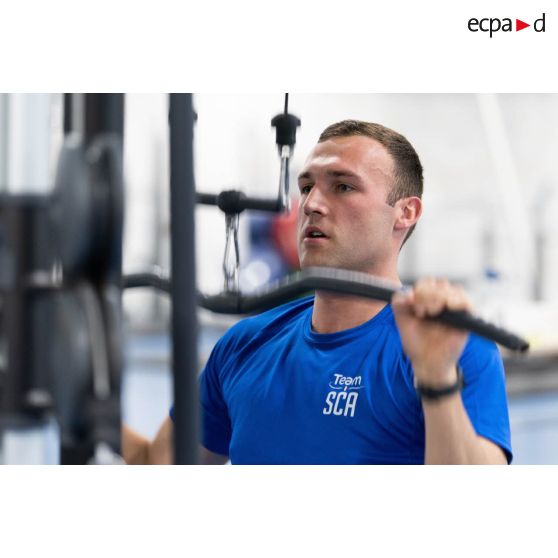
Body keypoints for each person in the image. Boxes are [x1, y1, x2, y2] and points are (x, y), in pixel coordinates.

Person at [123, 120, 511, 465]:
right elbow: (157, 465)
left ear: (405, 212)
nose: (310, 205)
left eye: (342, 186)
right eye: (306, 186)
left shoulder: (450, 346)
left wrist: (437, 377)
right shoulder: (245, 344)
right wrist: (75, 396)